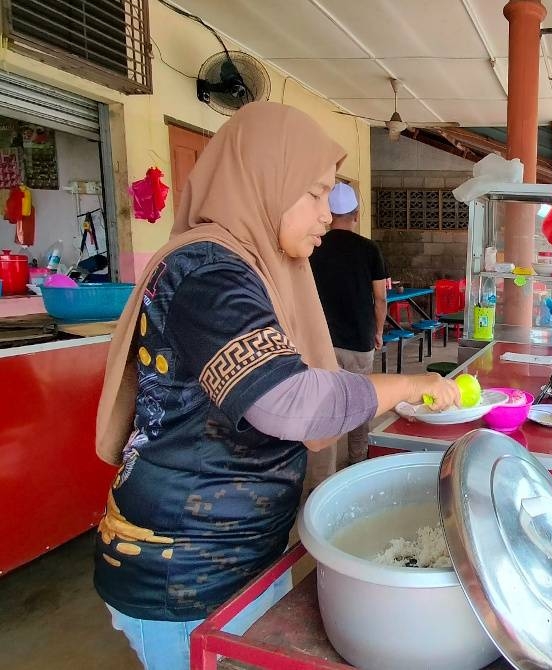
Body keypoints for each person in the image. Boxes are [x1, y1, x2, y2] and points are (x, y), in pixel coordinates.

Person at [92, 102, 459, 670]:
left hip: (237, 552)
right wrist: (409, 384)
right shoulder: (209, 274)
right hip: (183, 570)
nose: (327, 215)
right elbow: (290, 402)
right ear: (264, 180)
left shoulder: (252, 266)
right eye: (315, 193)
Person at [309, 182, 388, 467]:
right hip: (359, 339)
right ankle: (357, 462)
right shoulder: (369, 249)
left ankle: (322, 476)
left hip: (321, 341)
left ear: (328, 214)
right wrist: (378, 331)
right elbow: (380, 298)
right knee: (360, 402)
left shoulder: (313, 246)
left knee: (324, 407)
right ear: (356, 214)